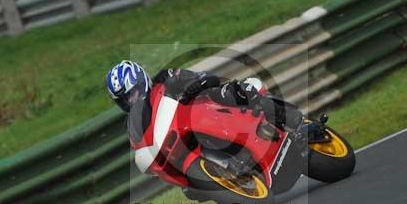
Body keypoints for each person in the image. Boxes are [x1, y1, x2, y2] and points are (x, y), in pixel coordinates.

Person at [105, 60, 300, 143]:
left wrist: (195, 84)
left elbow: (199, 76)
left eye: (133, 93)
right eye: (125, 100)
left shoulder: (165, 78)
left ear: (142, 81)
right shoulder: (138, 121)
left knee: (230, 92)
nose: (132, 101)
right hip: (189, 131)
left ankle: (286, 116)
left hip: (207, 106)